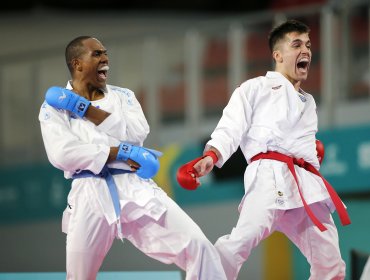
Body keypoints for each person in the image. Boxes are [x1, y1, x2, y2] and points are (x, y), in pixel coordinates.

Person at [38, 36, 227, 280]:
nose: (105, 58)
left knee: (198, 247)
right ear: (77, 64)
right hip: (88, 193)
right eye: (96, 54)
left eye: (105, 53)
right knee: (79, 276)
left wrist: (86, 109)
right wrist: (117, 153)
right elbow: (62, 154)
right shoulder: (54, 106)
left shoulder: (123, 96)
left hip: (135, 188)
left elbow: (136, 134)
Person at [176, 19, 350, 279]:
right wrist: (212, 154)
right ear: (278, 55)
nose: (306, 50)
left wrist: (311, 158)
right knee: (240, 242)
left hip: (306, 185)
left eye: (309, 45)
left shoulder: (309, 102)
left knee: (331, 263)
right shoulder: (255, 88)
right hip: (269, 176)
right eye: (297, 44)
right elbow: (231, 126)